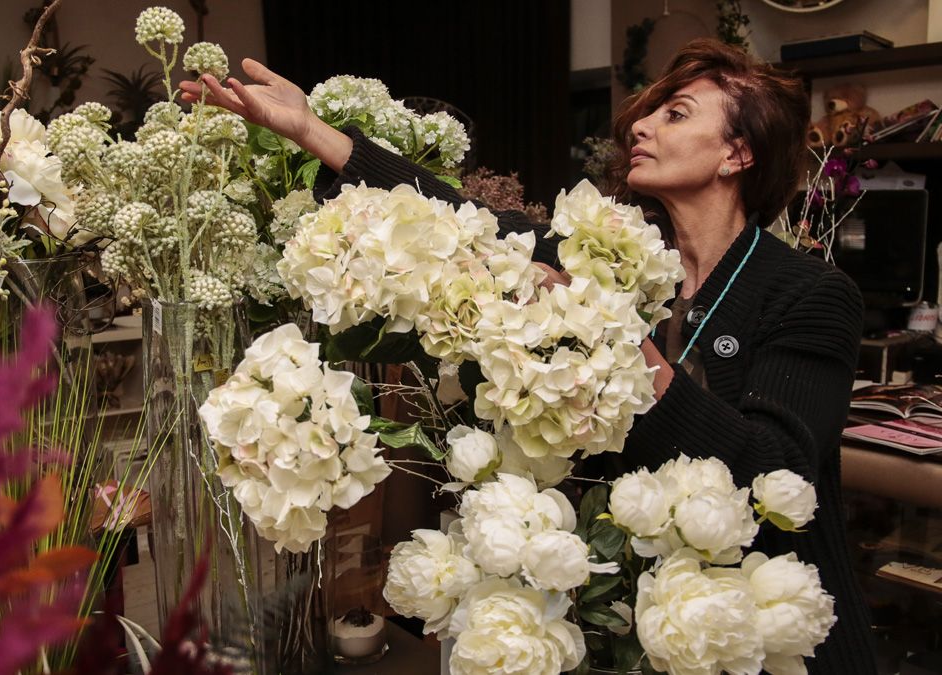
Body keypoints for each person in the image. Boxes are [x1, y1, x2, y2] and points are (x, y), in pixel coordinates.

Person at [181, 38, 878, 673]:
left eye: (675, 115)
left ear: (738, 153)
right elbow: (467, 223)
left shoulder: (809, 292)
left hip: (764, 635)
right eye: (648, 113)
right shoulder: (615, 257)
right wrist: (313, 132)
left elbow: (779, 469)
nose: (638, 126)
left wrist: (618, 347)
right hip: (637, 627)